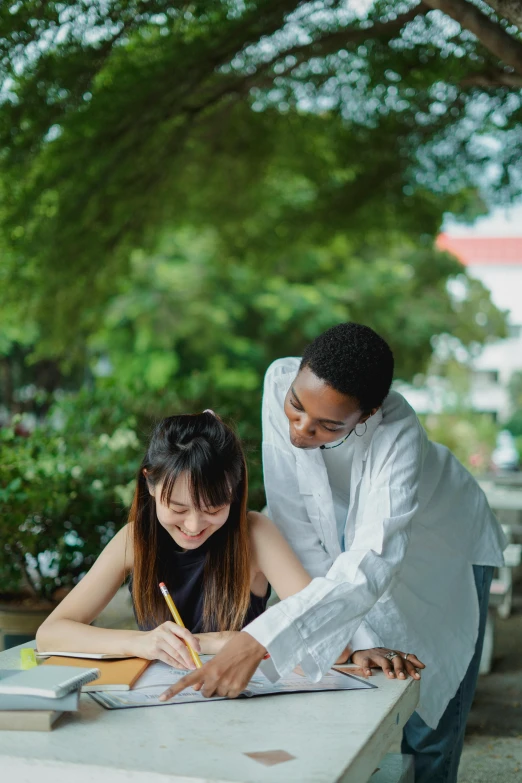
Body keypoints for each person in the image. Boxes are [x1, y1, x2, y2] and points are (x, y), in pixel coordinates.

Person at [166, 323, 506, 783]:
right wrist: (360, 638)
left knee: (430, 716)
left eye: (329, 426)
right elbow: (297, 525)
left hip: (444, 548)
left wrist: (259, 639)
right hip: (355, 547)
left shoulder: (398, 434)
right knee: (371, 678)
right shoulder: (278, 382)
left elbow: (373, 560)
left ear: (366, 415)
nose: (301, 430)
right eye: (297, 408)